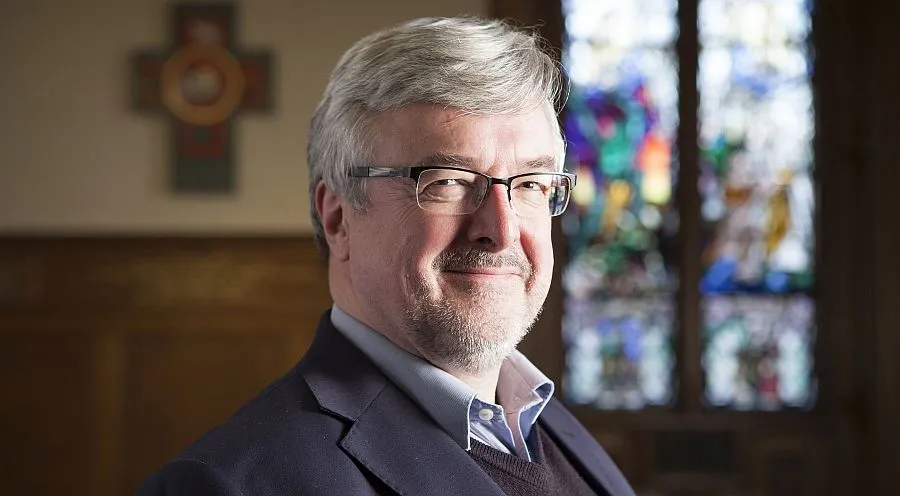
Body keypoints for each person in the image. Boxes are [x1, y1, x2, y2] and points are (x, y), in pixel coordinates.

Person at [139, 17, 635, 496]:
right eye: (448, 182)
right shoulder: (227, 485)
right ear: (338, 218)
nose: (501, 231)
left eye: (530, 185)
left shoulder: (547, 423)